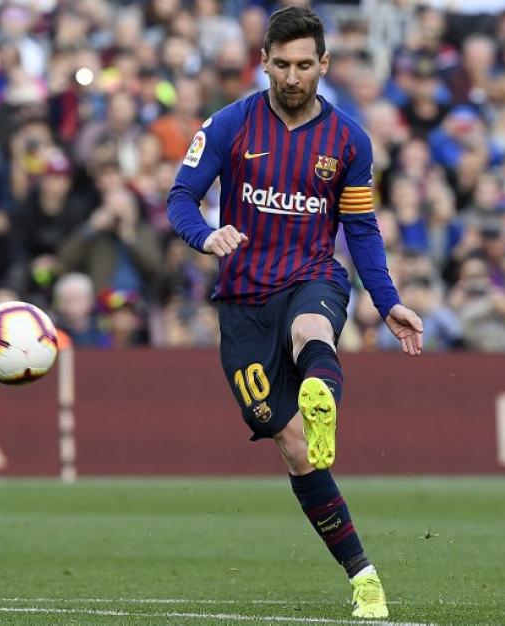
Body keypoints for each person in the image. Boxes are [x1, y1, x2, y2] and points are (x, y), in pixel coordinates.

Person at [166, 7, 424, 620]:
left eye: (304, 65)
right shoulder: (230, 125)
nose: (291, 76)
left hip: (313, 277)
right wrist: (205, 237)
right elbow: (181, 196)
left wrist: (387, 303)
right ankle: (363, 573)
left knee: (314, 329)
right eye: (281, 64)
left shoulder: (349, 142)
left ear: (323, 65)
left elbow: (360, 229)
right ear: (264, 62)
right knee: (295, 448)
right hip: (242, 303)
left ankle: (320, 391)